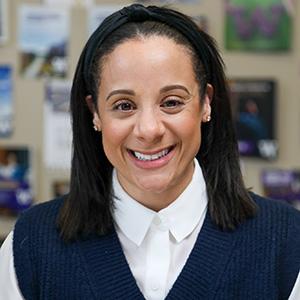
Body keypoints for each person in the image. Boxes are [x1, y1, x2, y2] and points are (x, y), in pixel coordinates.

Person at [0, 4, 299, 299]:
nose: (149, 129)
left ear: (206, 103)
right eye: (124, 106)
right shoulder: (30, 246)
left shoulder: (288, 243)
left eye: (171, 102)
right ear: (95, 114)